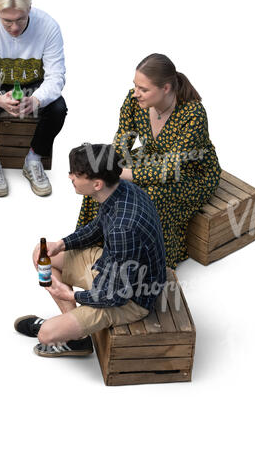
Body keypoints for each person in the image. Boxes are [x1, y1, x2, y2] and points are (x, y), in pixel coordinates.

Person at [14, 144, 167, 358]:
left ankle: (65, 332)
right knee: (43, 255)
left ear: (96, 183)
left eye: (76, 174)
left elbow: (116, 295)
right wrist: (61, 244)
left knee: (46, 335)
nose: (70, 177)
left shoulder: (123, 229)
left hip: (132, 297)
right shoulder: (119, 188)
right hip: (112, 269)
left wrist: (71, 294)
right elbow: (97, 227)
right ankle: (77, 334)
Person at [76, 54, 222, 268]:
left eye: (144, 89)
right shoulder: (134, 100)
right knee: (99, 183)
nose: (137, 93)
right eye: (135, 86)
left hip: (192, 173)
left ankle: (148, 264)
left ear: (165, 88)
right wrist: (109, 164)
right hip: (150, 158)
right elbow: (123, 138)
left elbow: (171, 168)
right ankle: (92, 244)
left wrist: (120, 173)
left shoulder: (193, 114)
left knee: (149, 196)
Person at [0, 0, 67, 197]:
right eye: (7, 21)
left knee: (58, 108)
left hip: (33, 84)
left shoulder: (48, 26)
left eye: (20, 19)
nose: (14, 28)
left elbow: (56, 76)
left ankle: (33, 159)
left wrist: (37, 100)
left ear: (29, 9)